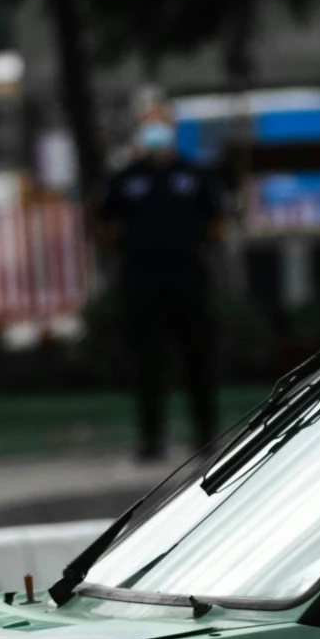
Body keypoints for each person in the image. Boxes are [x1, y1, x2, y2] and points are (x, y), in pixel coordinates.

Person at [99, 103, 224, 460]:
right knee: (148, 360)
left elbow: (215, 221)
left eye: (161, 125)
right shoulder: (126, 178)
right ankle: (151, 439)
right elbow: (106, 223)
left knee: (197, 355)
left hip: (186, 275)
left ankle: (205, 436)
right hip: (142, 277)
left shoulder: (194, 174)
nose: (156, 133)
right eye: (149, 126)